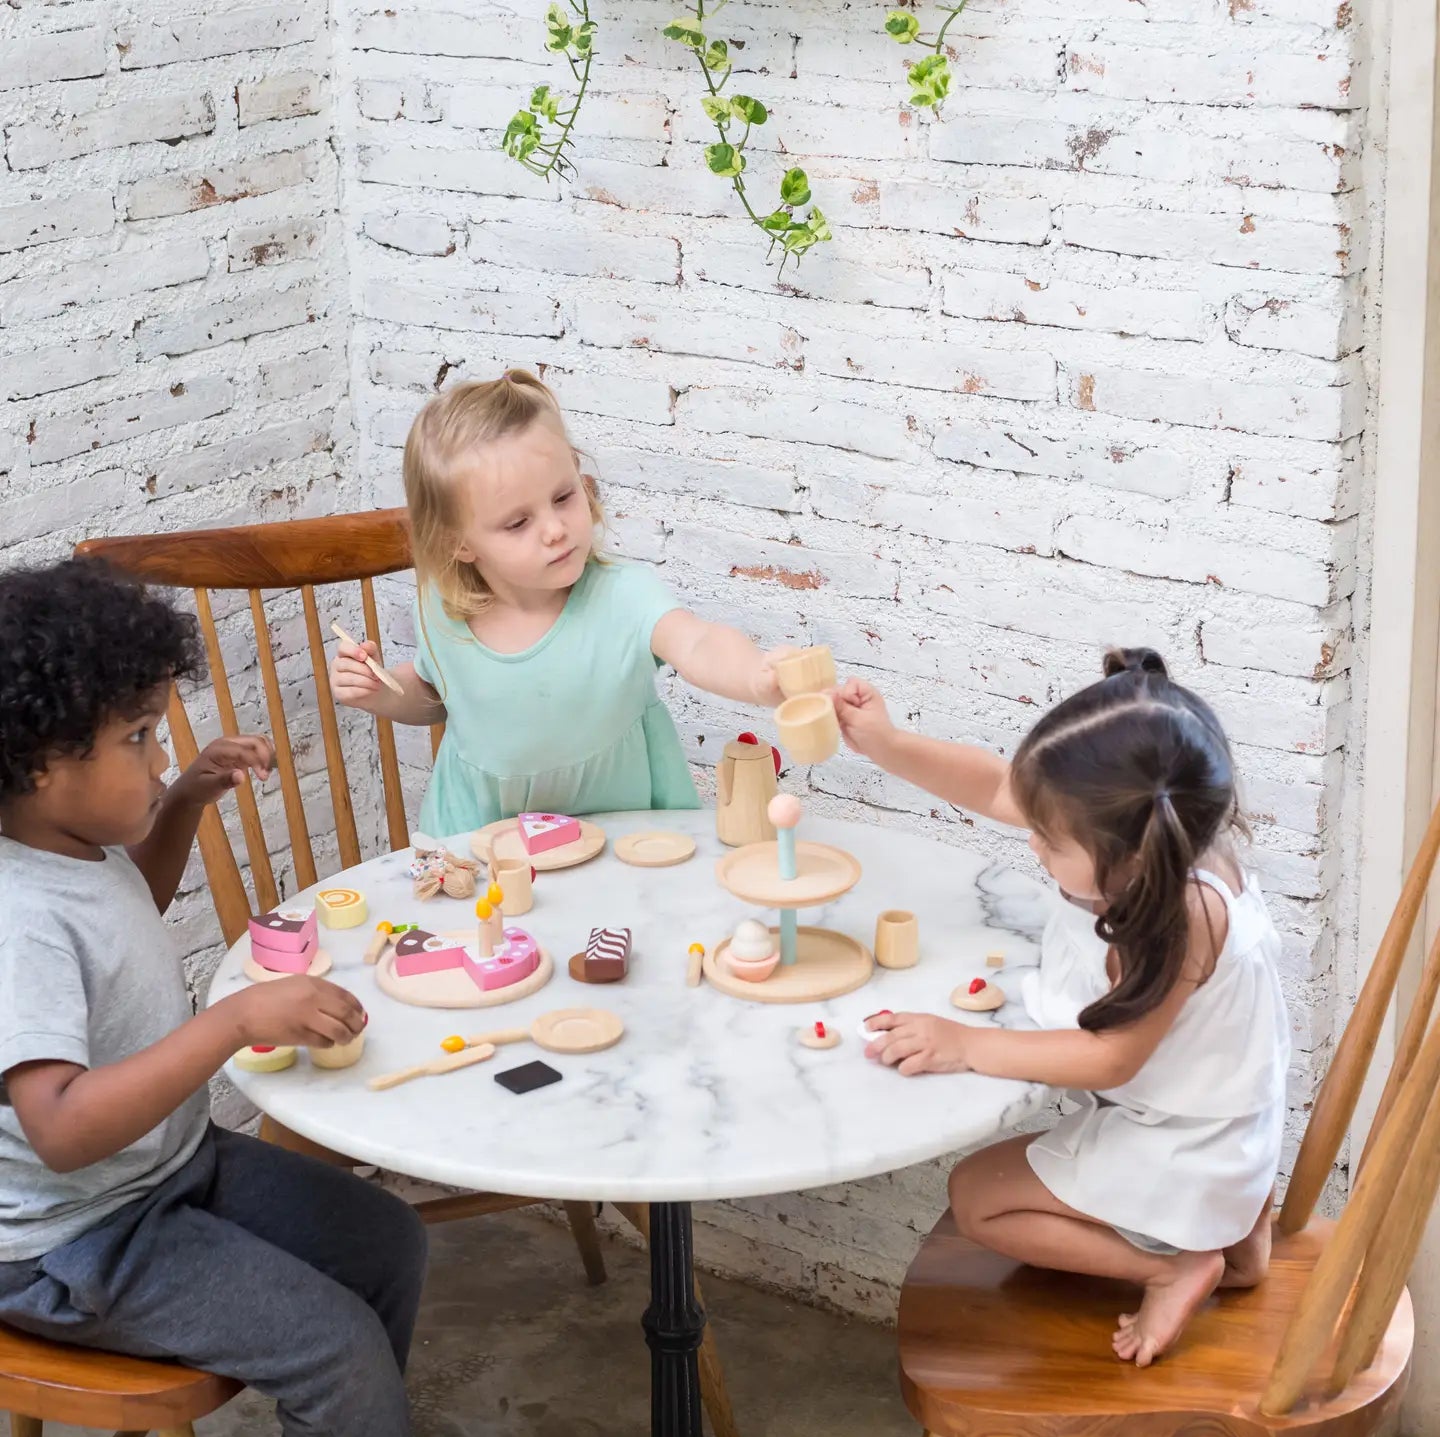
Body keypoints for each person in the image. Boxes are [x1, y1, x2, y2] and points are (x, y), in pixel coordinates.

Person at [0, 558, 427, 1437]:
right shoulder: (17, 920)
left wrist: (185, 796)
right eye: (140, 740)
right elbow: (63, 1127)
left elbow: (130, 914)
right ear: (43, 764)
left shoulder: (71, 843)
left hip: (167, 1169)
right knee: (335, 1349)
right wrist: (231, 1023)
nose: (160, 754)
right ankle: (351, 1402)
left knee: (390, 1243)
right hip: (73, 1241)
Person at [835, 647, 1290, 1367]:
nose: (1031, 841)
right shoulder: (1157, 835)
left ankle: (1171, 1267)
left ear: (1130, 858)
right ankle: (1232, 1239)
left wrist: (965, 1043)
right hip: (1237, 1124)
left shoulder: (1182, 916)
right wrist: (886, 744)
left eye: (1048, 839)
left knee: (978, 1196)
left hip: (1191, 1144)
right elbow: (992, 786)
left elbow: (1110, 1056)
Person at [331, 370, 791, 835]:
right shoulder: (443, 611)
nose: (555, 529)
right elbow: (439, 696)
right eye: (518, 523)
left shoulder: (622, 595)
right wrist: (383, 692)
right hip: (481, 840)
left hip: (622, 836)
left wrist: (756, 674)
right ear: (459, 544)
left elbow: (698, 643)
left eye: (563, 496)